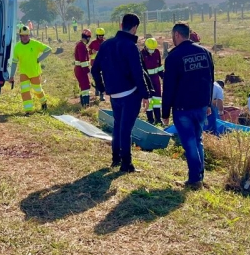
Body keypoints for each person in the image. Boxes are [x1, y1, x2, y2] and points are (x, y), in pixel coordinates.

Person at [91, 13, 151, 173]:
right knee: (126, 129)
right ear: (135, 28)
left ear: (120, 25)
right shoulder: (131, 47)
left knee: (118, 127)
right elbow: (138, 73)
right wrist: (145, 94)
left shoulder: (106, 45)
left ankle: (115, 158)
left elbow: (94, 69)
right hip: (130, 94)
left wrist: (102, 88)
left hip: (114, 95)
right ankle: (127, 164)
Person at [161, 22, 215, 190]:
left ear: (177, 35)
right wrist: (208, 103)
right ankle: (199, 176)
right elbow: (210, 80)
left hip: (182, 108)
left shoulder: (174, 56)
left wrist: (165, 112)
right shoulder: (205, 52)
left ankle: (194, 180)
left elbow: (169, 86)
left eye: (172, 36)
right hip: (200, 106)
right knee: (198, 140)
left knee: (190, 142)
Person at [10, 24, 52, 115]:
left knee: (37, 90)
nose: (25, 37)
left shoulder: (35, 44)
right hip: (24, 73)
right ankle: (28, 111)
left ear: (29, 35)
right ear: (20, 36)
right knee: (25, 92)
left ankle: (44, 102)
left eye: (26, 35)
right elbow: (14, 62)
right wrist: (12, 75)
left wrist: (39, 59)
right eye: (23, 36)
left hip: (34, 72)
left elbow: (48, 49)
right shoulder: (17, 47)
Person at [140, 37, 164, 124]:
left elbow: (159, 66)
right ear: (146, 47)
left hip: (156, 80)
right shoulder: (141, 54)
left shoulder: (157, 52)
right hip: (147, 81)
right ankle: (150, 119)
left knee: (157, 100)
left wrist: (163, 76)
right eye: (150, 49)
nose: (152, 51)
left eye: (153, 49)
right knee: (149, 101)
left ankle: (158, 118)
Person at [74, 29, 93, 107]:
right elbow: (83, 61)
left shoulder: (80, 44)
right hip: (81, 70)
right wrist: (88, 72)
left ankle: (83, 104)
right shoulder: (82, 45)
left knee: (83, 86)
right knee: (85, 86)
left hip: (79, 69)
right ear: (87, 37)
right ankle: (86, 105)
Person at [88, 28, 106, 100]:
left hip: (103, 63)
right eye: (99, 35)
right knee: (96, 77)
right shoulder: (93, 43)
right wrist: (91, 51)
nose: (101, 37)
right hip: (94, 63)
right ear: (97, 35)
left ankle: (102, 94)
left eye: (102, 35)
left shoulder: (105, 43)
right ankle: (97, 88)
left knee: (103, 78)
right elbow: (88, 51)